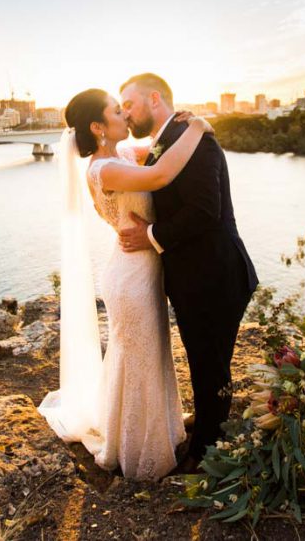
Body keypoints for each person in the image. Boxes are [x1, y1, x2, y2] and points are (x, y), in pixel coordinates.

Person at [38, 87, 212, 480]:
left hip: (140, 268)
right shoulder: (104, 169)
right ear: (99, 127)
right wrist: (198, 128)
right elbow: (161, 173)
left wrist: (172, 123)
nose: (125, 116)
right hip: (132, 277)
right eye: (118, 111)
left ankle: (151, 431)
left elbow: (156, 147)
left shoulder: (122, 155)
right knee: (138, 361)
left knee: (145, 357)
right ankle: (140, 455)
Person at [117, 73, 258, 474]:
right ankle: (210, 424)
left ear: (154, 98)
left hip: (215, 275)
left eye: (129, 103)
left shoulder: (196, 140)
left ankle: (206, 454)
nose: (126, 112)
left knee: (210, 361)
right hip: (196, 277)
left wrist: (150, 235)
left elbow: (204, 209)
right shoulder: (175, 135)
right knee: (204, 360)